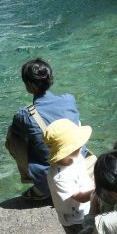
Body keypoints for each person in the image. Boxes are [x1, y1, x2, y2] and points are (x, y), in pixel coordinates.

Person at [43, 118, 103, 234]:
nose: (81, 147)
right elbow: (78, 196)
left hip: (84, 212)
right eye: (77, 145)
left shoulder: (74, 157)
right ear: (65, 150)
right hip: (74, 220)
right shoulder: (58, 175)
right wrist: (98, 188)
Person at [9, 58, 85, 201]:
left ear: (30, 86)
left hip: (51, 172)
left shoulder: (25, 116)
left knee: (14, 136)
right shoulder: (69, 99)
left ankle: (42, 186)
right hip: (77, 160)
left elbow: (15, 135)